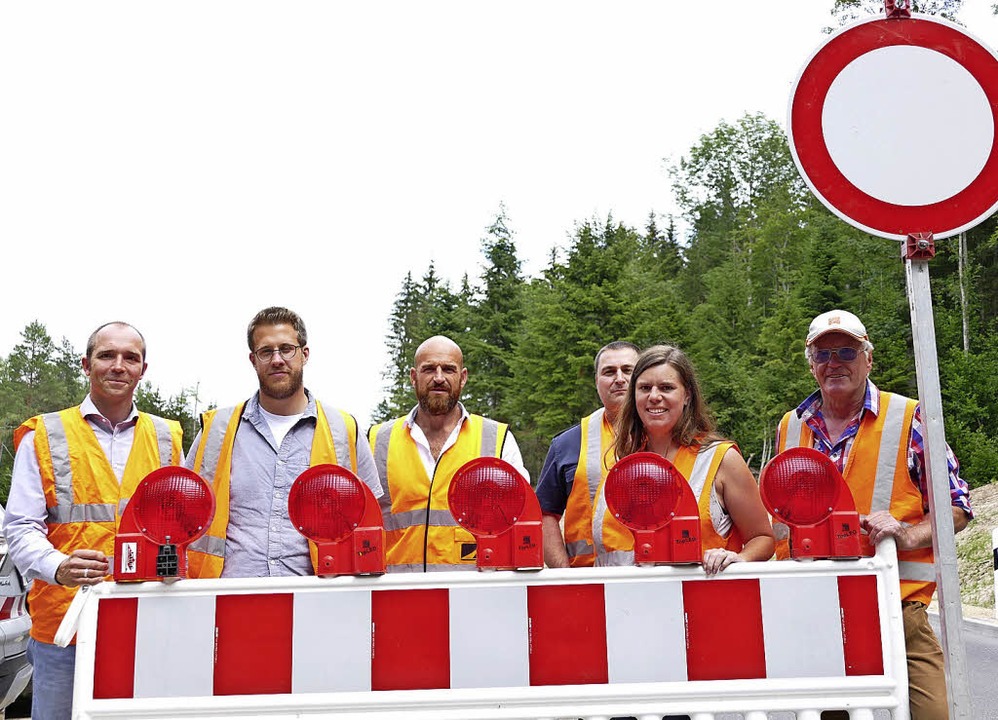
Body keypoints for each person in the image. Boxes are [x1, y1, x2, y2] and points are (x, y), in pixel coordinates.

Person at [776, 309, 972, 720]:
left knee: (934, 712)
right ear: (810, 363)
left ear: (868, 359)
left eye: (846, 351)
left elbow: (957, 506)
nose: (835, 363)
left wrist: (906, 534)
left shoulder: (909, 417)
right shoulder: (790, 428)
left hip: (897, 604)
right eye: (823, 354)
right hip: (821, 606)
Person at [2, 322, 183, 720]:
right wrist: (58, 567)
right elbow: (20, 527)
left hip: (146, 622)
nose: (118, 366)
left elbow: (181, 525)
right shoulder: (46, 434)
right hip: (66, 627)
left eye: (129, 358)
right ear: (86, 364)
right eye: (107, 356)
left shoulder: (168, 438)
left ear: (142, 369)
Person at [184, 306, 382, 578]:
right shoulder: (216, 430)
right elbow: (182, 516)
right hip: (228, 599)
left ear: (305, 354)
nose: (277, 359)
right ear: (253, 359)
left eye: (287, 349)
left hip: (318, 599)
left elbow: (370, 518)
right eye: (266, 352)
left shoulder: (343, 429)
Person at [592, 344, 774, 574]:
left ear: (687, 395)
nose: (654, 397)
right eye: (645, 388)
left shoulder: (720, 459)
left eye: (666, 388)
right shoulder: (620, 459)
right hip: (623, 603)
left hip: (702, 602)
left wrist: (739, 558)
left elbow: (763, 538)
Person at [368, 335, 529, 571]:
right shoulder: (377, 440)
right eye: (429, 369)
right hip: (397, 594)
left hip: (473, 594)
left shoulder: (497, 439)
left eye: (449, 370)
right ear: (414, 377)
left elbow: (521, 519)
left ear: (463, 377)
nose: (439, 378)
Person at [536, 341, 639, 568]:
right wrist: (563, 574)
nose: (619, 378)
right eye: (609, 372)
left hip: (657, 578)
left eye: (628, 370)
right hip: (586, 581)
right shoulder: (567, 443)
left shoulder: (665, 435)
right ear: (596, 382)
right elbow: (544, 514)